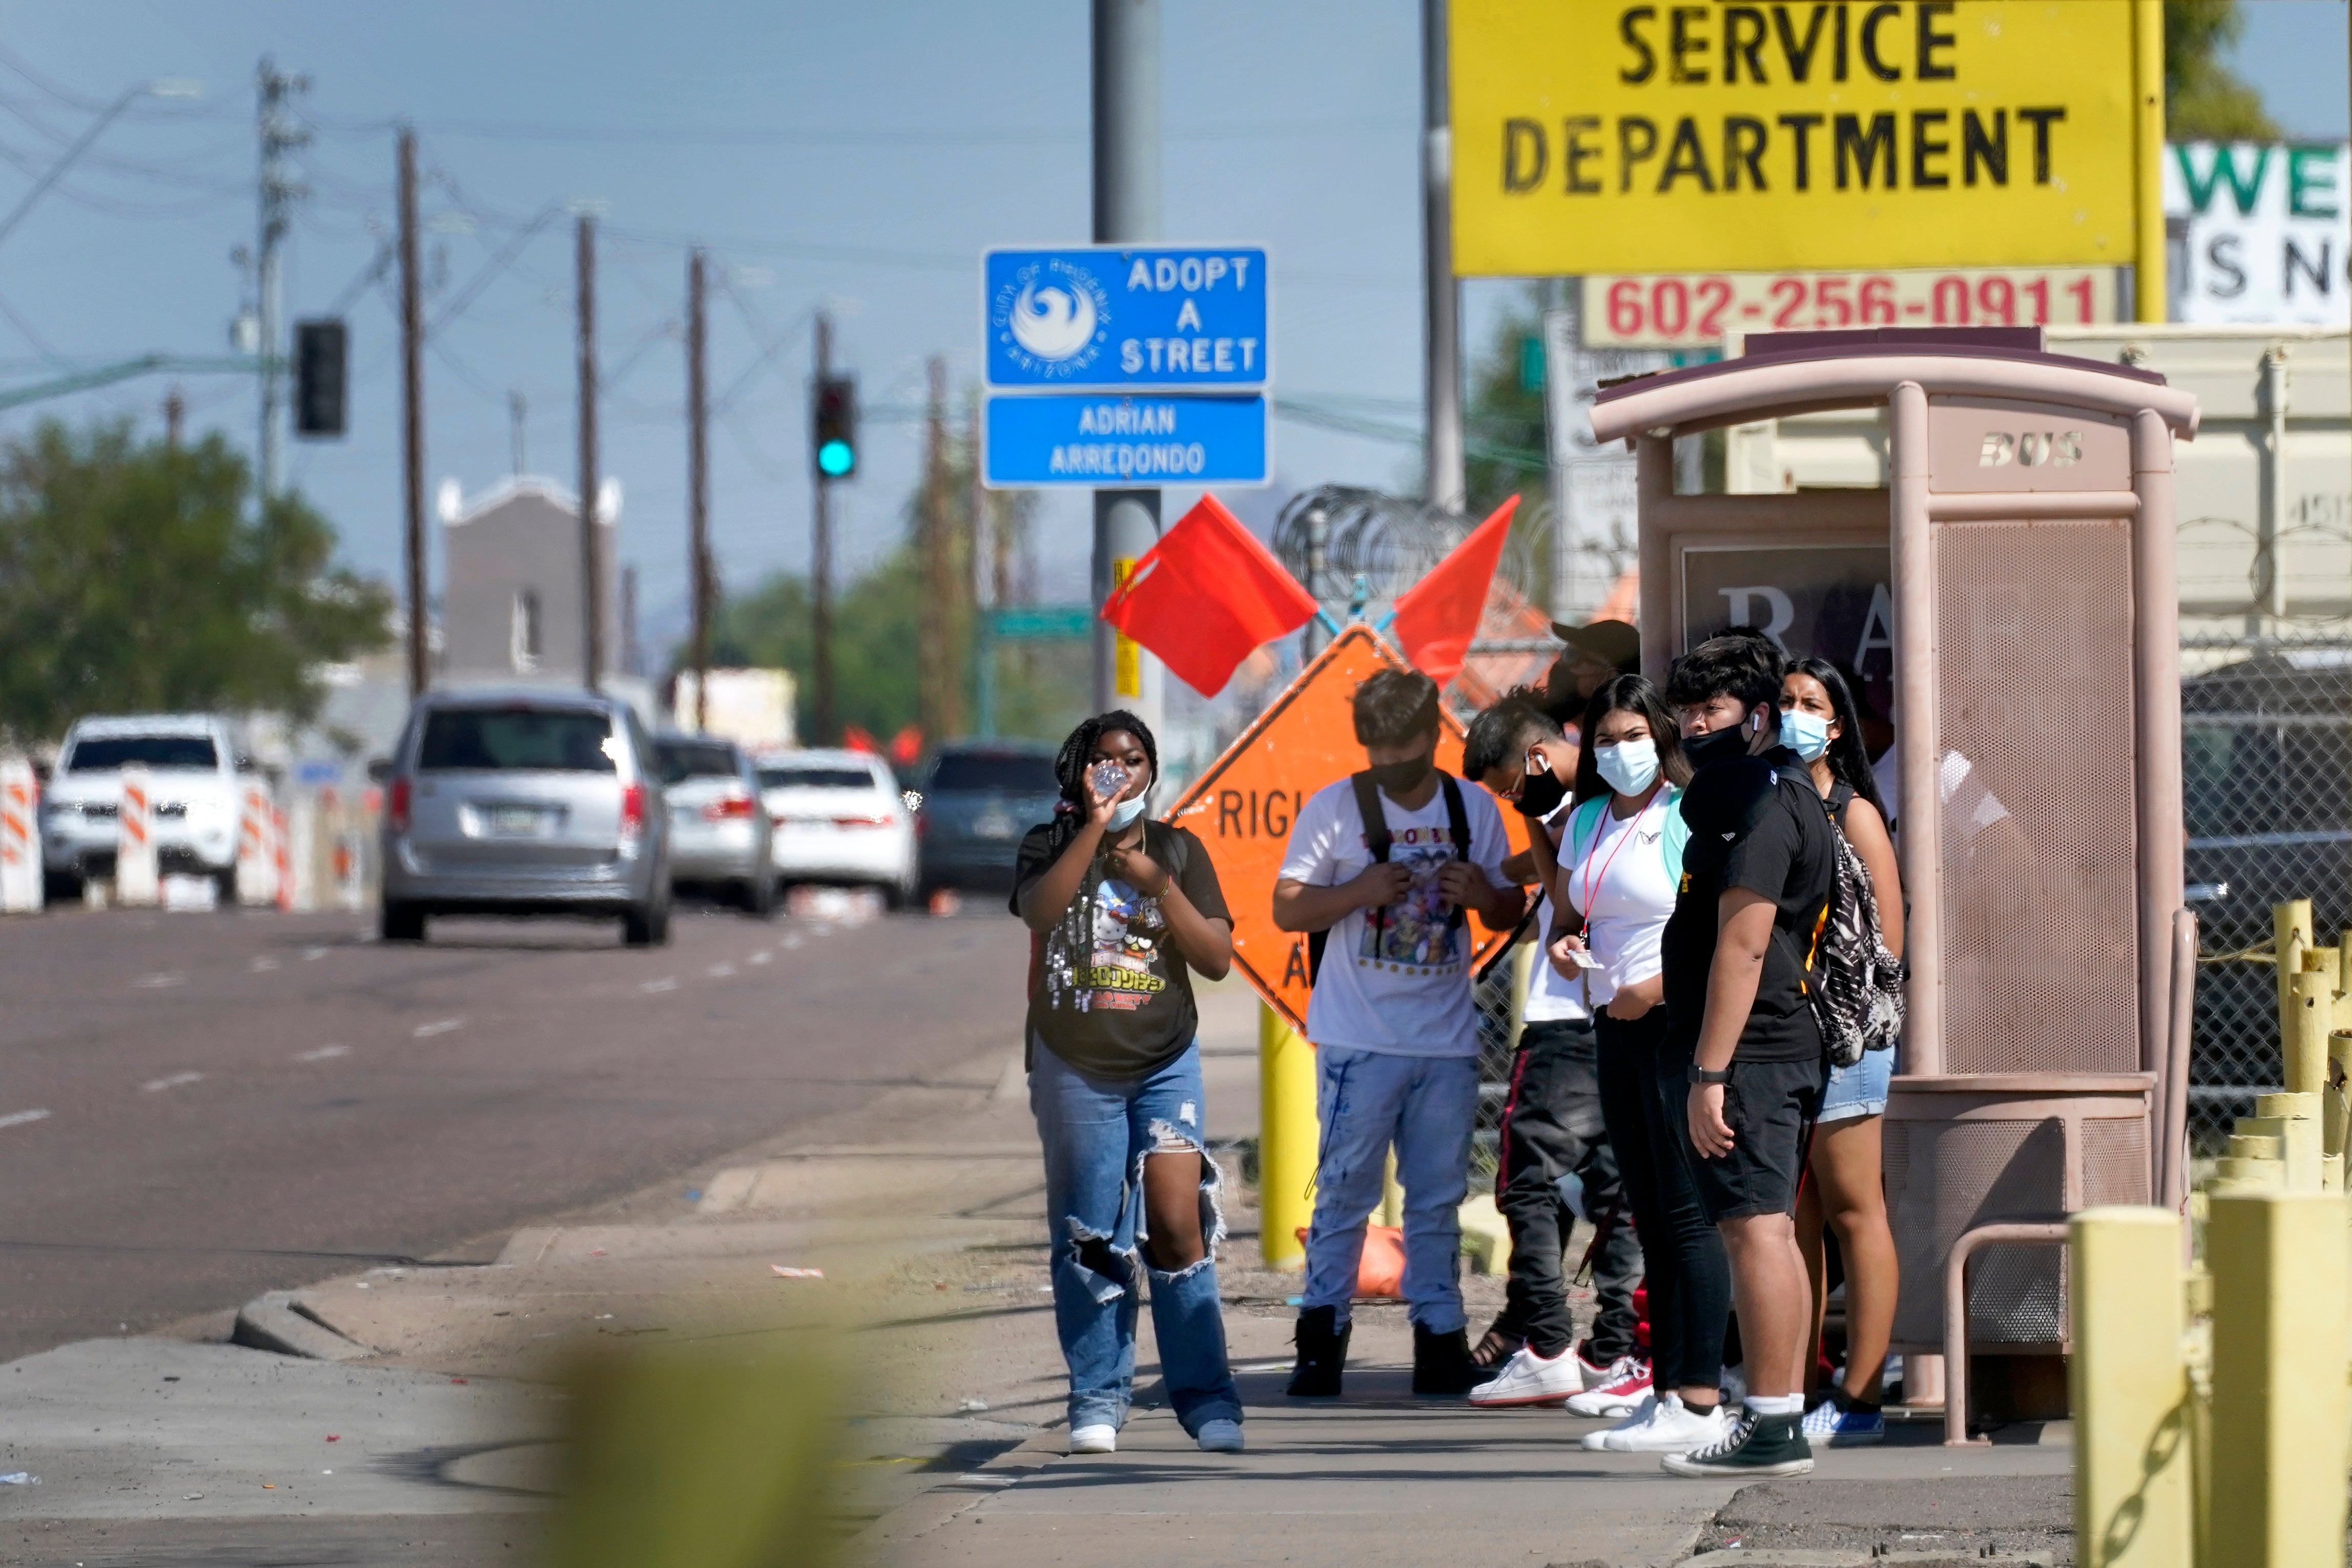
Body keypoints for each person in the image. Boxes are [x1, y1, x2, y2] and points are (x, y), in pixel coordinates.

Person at [1274, 668, 1522, 1398]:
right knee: (1344, 1192)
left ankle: (1439, 1338)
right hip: (1357, 1040)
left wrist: (1481, 895)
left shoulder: (1468, 805)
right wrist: (1357, 892)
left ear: (1430, 734)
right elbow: (1288, 907)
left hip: (1443, 1041)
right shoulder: (1334, 808)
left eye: (1403, 751)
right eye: (1376, 753)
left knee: (1436, 1195)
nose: (1390, 767)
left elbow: (1508, 910)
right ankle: (1320, 1340)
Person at [1012, 711, 1245, 1456]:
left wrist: (1158, 885)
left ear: (1152, 770)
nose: (1122, 772)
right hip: (1075, 1065)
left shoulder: (1178, 848)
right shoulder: (1047, 844)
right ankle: (1098, 1396)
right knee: (1089, 1235)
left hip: (1162, 1060)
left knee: (1177, 1225)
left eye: (1135, 760)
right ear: (1080, 772)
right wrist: (1094, 831)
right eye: (1105, 762)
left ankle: (1206, 1398)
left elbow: (1216, 959)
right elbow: (1041, 910)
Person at [1655, 633, 1837, 1479]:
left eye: (1714, 712)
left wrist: (1709, 1074)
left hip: (1753, 1053)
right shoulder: (1774, 792)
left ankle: (1770, 1426)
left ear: (1757, 718)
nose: (1696, 729)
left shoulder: (1762, 804)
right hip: (1767, 1048)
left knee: (1755, 1230)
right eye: (1685, 713)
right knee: (1769, 1232)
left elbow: (1742, 944)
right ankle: (1781, 1414)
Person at [1549, 676, 1742, 1453]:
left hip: (1673, 1023)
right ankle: (1666, 1389)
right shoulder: (1588, 820)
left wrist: (1649, 990)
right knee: (1649, 1213)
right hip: (1613, 1026)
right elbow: (1567, 917)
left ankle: (1699, 1397)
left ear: (1660, 738)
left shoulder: (1682, 814)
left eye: (1634, 736)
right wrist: (1566, 948)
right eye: (1604, 738)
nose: (1619, 751)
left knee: (1689, 1214)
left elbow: (1716, 933)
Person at [1456, 694, 1646, 1408]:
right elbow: (1560, 889)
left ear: (1537, 756)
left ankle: (1546, 1342)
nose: (1510, 799)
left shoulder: (1596, 801)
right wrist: (1530, 831)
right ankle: (1612, 1349)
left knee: (1525, 1179)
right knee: (1614, 1186)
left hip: (1572, 1016)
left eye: (1509, 784)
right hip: (1611, 1014)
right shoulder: (1593, 806)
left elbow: (1570, 903)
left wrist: (1535, 829)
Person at [1779, 659, 1904, 1449]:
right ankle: (1794, 1386)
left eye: (1809, 703)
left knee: (1856, 1212)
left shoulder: (1852, 811)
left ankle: (1861, 1397)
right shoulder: (1774, 802)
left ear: (1836, 725)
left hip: (1851, 1038)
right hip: (1784, 1041)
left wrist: (1851, 1021)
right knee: (1798, 1216)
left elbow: (1888, 935)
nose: (1792, 713)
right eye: (1783, 701)